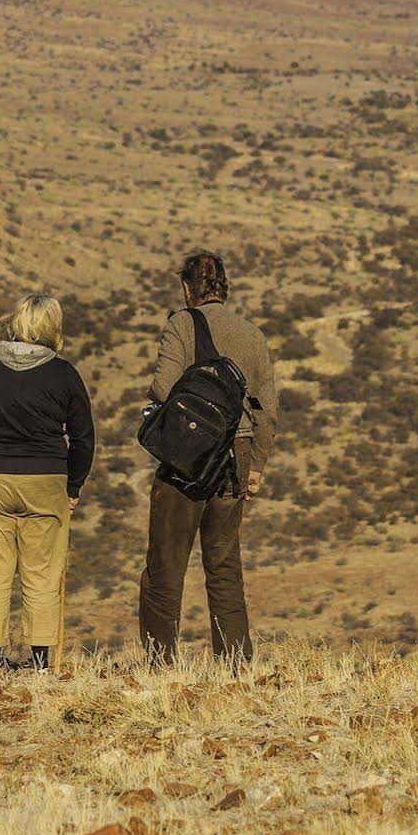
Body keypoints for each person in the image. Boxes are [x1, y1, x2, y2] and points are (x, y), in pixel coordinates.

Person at [138, 251, 278, 667]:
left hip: (187, 458)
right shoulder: (252, 334)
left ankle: (161, 665)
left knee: (166, 564)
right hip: (236, 457)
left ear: (186, 287)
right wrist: (257, 467)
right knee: (223, 564)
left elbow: (164, 388)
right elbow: (268, 409)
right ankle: (236, 663)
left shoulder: (181, 324)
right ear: (224, 287)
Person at [0, 293, 94, 674]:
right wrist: (73, 486)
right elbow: (83, 438)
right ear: (52, 328)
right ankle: (42, 665)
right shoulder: (64, 373)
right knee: (43, 574)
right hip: (46, 479)